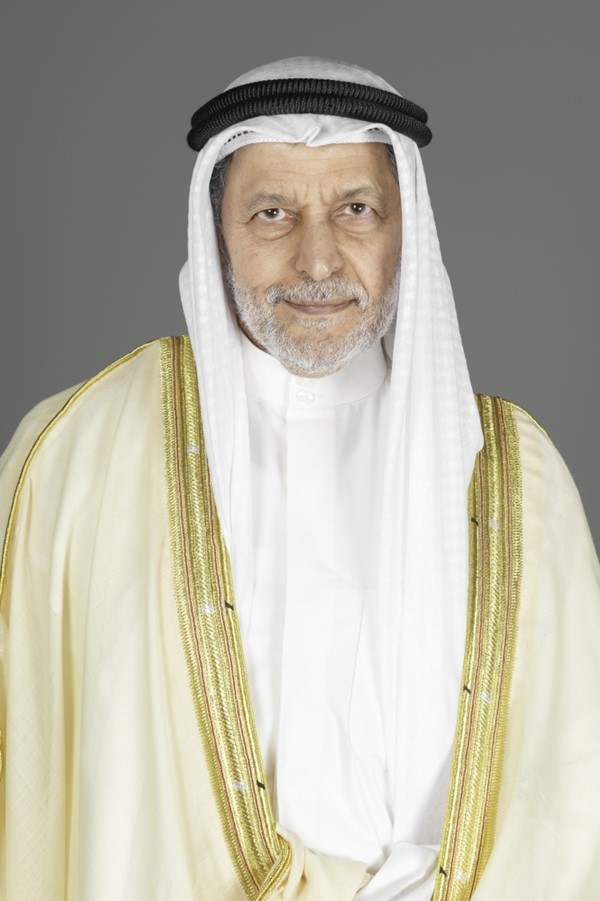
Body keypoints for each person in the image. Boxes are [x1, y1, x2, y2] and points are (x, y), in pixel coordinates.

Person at [0, 56, 599, 901]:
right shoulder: (79, 456)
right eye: (272, 213)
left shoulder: (515, 482)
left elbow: (570, 803)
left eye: (356, 210)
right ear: (218, 234)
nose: (317, 260)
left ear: (405, 230)